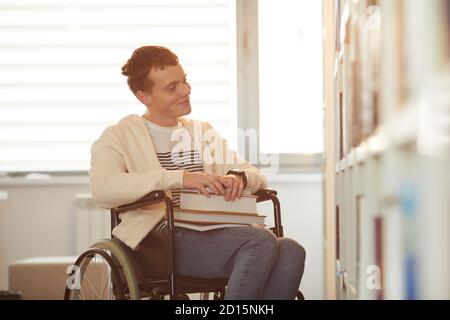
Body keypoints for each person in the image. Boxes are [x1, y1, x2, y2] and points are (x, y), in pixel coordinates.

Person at [89, 45, 306, 299]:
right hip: (158, 240)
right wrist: (180, 178)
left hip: (214, 230)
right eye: (172, 88)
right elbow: (103, 189)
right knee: (259, 241)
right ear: (143, 96)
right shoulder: (118, 136)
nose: (185, 91)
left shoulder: (202, 132)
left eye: (185, 81)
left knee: (292, 250)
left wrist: (238, 177)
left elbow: (254, 174)